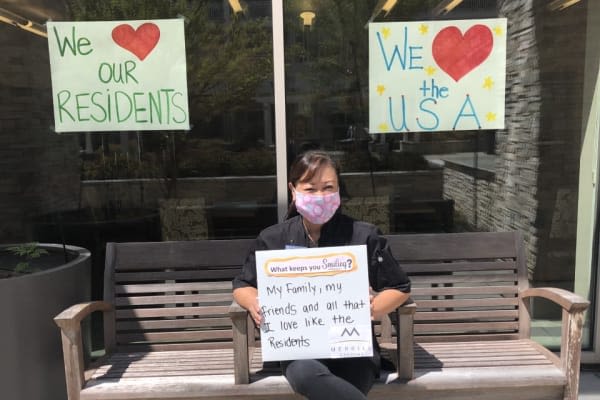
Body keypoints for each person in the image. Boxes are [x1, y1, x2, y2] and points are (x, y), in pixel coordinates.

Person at [232, 150, 411, 400]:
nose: (320, 196)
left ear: (339, 190)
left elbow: (399, 287)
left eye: (328, 187)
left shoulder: (363, 235)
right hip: (298, 348)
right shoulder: (273, 238)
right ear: (293, 190)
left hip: (352, 347)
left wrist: (371, 309)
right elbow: (243, 284)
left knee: (346, 382)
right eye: (310, 189)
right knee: (305, 374)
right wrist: (253, 302)